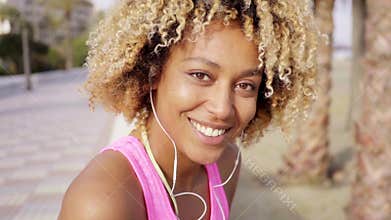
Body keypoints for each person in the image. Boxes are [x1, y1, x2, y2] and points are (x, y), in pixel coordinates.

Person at [58, 0, 317, 219]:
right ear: (153, 72)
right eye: (201, 75)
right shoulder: (101, 201)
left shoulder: (226, 163)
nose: (222, 108)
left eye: (245, 85)